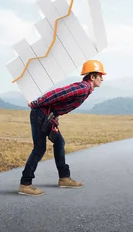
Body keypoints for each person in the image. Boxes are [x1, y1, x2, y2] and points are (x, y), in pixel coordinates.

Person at [18, 59, 106, 196]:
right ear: (92, 77)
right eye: (100, 75)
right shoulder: (83, 88)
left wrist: (55, 115)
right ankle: (25, 184)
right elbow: (58, 93)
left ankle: (64, 178)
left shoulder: (86, 89)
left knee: (59, 142)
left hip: (48, 115)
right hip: (41, 113)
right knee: (39, 148)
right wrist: (36, 103)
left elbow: (61, 101)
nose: (102, 78)